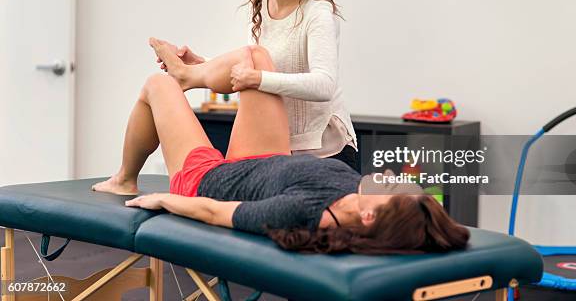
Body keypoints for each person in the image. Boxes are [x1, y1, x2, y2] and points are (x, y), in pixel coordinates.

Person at [92, 39, 469, 254]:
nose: (388, 175)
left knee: (157, 88)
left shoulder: (303, 211)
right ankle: (192, 74)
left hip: (209, 179)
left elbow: (214, 212)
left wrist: (164, 200)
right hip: (266, 160)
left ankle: (124, 178)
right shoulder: (356, 195)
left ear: (369, 218)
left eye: (390, 187)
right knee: (254, 59)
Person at [157, 0, 358, 170]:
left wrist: (256, 79)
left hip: (327, 154)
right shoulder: (264, 4)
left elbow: (324, 85)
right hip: (283, 149)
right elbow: (261, 67)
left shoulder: (317, 13)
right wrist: (203, 64)